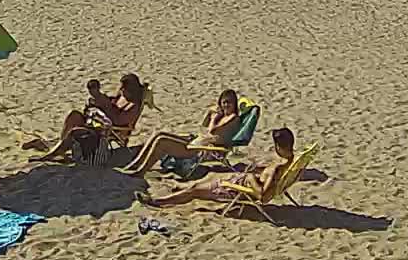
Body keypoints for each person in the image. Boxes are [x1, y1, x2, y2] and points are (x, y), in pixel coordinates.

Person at [139, 128, 296, 209]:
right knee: (211, 174)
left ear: (277, 146)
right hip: (242, 181)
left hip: (239, 188)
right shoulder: (289, 161)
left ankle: (157, 201)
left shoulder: (276, 169)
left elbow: (262, 196)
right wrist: (257, 170)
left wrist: (249, 178)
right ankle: (179, 185)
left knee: (195, 191)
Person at [26, 73, 149, 163]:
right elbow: (111, 102)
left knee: (75, 131)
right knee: (74, 115)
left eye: (124, 89)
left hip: (106, 130)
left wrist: (104, 107)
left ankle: (51, 155)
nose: (121, 90)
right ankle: (60, 145)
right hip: (98, 121)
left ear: (132, 90)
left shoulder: (133, 106)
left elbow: (118, 121)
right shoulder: (122, 96)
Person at [118, 88, 243, 176]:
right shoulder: (223, 116)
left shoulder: (233, 117)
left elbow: (212, 129)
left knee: (162, 141)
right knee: (159, 134)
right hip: (196, 142)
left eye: (229, 102)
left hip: (201, 150)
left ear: (234, 104)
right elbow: (204, 125)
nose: (226, 105)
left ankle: (141, 172)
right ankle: (135, 164)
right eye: (224, 102)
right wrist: (209, 113)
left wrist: (215, 118)